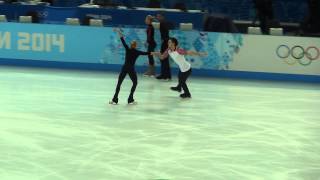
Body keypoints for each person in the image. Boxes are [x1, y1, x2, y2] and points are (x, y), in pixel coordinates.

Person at [109, 29, 150, 105]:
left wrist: (119, 33)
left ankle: (115, 99)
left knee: (119, 83)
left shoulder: (128, 49)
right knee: (135, 83)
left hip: (124, 68)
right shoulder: (137, 52)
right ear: (135, 45)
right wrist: (156, 53)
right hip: (131, 69)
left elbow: (123, 41)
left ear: (131, 45)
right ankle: (130, 99)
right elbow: (147, 53)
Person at [155, 13, 171, 80]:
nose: (157, 17)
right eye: (157, 16)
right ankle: (165, 75)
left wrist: (164, 40)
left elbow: (165, 34)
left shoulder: (162, 23)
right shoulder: (163, 23)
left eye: (159, 16)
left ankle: (165, 75)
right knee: (164, 59)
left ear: (162, 17)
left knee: (164, 59)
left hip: (165, 43)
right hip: (166, 42)